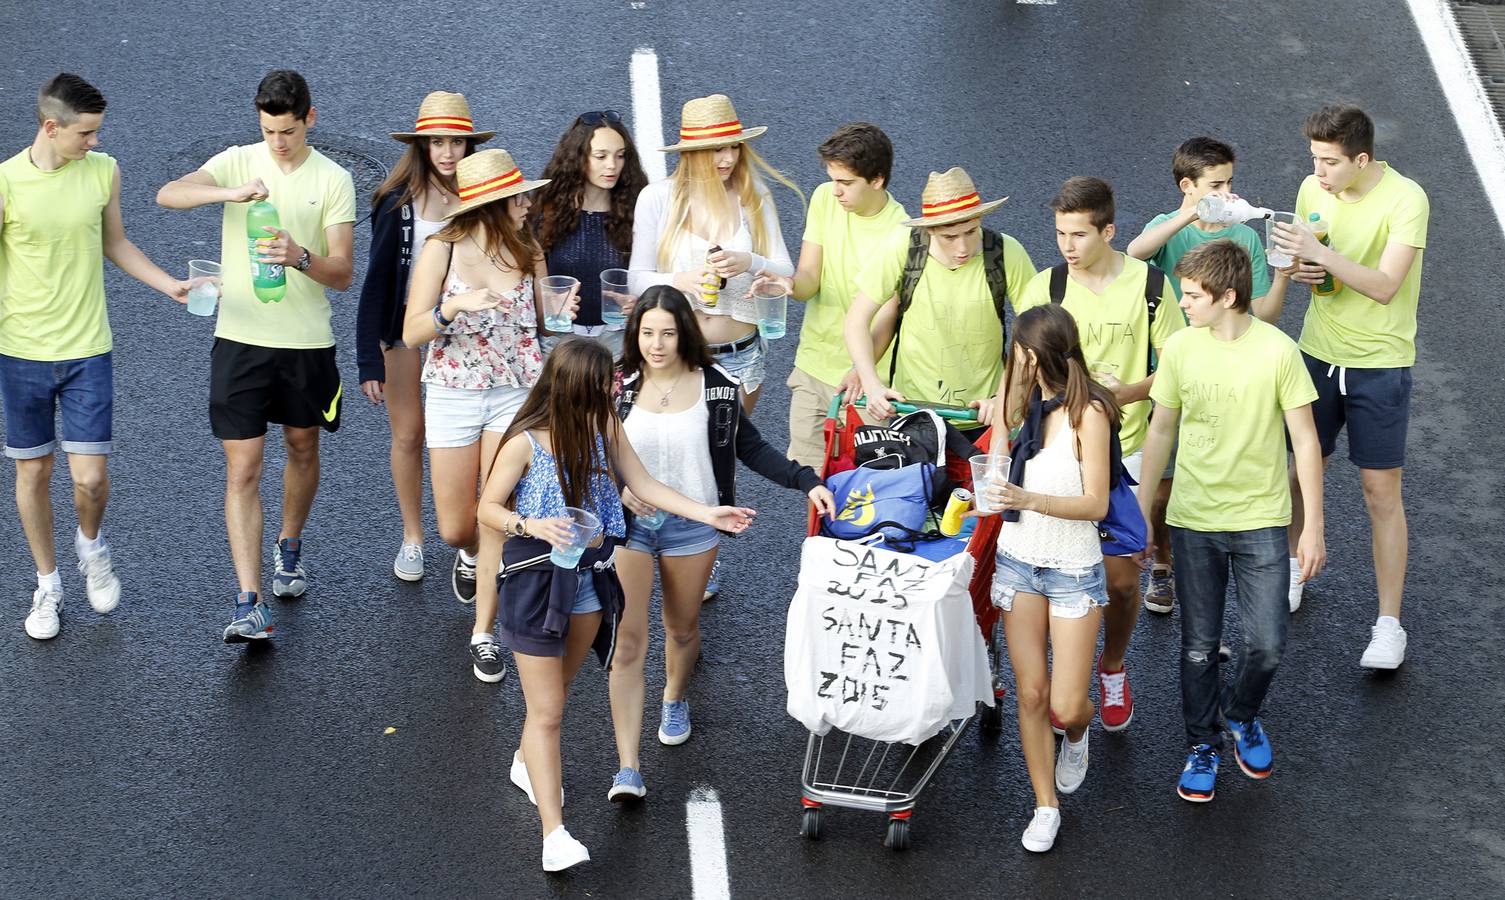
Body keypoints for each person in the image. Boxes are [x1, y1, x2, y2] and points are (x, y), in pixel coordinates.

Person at [476, 338, 755, 872]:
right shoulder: (523, 443)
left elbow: (645, 483)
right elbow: (486, 507)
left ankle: (524, 760)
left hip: (589, 580)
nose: (618, 385)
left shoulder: (605, 429)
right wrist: (529, 524)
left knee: (553, 696)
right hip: (536, 581)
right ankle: (554, 835)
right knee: (550, 710)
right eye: (608, 380)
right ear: (580, 384)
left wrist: (708, 513)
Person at [608, 286, 836, 796]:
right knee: (627, 639)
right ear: (635, 334)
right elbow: (592, 451)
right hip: (629, 525)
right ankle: (628, 765)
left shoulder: (716, 385)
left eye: (667, 332)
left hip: (694, 525)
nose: (657, 344)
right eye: (647, 333)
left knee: (682, 629)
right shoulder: (617, 384)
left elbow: (750, 446)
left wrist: (806, 480)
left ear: (684, 332)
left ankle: (674, 695)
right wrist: (619, 486)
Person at [157, 70, 355, 643]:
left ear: (309, 119)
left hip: (306, 343)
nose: (277, 142)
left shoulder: (334, 179)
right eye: (269, 130)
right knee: (242, 467)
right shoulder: (239, 161)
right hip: (240, 338)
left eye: (288, 131)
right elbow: (169, 194)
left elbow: (341, 273)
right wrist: (229, 193)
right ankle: (250, 602)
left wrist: (299, 256)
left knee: (301, 446)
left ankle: (289, 544)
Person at [0, 73, 190, 640]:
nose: (96, 142)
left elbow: (115, 243)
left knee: (89, 480)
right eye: (86, 133)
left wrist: (170, 285)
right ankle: (48, 585)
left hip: (88, 349)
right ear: (51, 128)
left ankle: (91, 545)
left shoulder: (103, 173)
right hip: (22, 352)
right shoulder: (6, 182)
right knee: (33, 472)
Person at [1135, 239, 1325, 803]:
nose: (1184, 302)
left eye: (1193, 295)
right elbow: (1160, 433)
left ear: (1229, 296)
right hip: (1194, 519)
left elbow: (1306, 441)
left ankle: (1240, 715)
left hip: (1263, 519)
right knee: (1199, 645)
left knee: (1265, 643)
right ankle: (1202, 744)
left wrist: (1312, 525)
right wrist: (1144, 514)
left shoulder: (1278, 352)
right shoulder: (1180, 349)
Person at [400, 147, 576, 684]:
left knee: (493, 504)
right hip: (454, 390)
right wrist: (453, 308)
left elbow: (545, 324)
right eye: (519, 196)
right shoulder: (442, 249)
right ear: (493, 204)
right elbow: (411, 332)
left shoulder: (528, 249)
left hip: (515, 391)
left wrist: (559, 314)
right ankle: (472, 556)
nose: (528, 203)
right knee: (457, 526)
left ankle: (484, 631)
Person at [1016, 176, 1183, 732]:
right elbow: (1021, 367)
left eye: (1080, 234)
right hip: (1057, 453)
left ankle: (1111, 668)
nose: (1067, 245)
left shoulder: (1152, 285)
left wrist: (1117, 396)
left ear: (1109, 230)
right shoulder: (1046, 286)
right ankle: (1066, 684)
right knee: (1052, 570)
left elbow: (1176, 370)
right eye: (1061, 233)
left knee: (1120, 582)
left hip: (1125, 452)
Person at [1271, 104, 1428, 669]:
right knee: (1297, 470)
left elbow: (1386, 286)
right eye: (1314, 158)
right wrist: (1306, 268)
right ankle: (1292, 565)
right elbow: (1319, 274)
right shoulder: (1312, 190)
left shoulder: (1408, 200)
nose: (1318, 172)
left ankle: (1389, 625)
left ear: (1362, 160)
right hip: (1316, 352)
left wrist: (1320, 255)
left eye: (1331, 162)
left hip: (1380, 363)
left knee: (1380, 493)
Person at [974, 304, 1117, 853]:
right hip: (1017, 560)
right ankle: (1044, 805)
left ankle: (1077, 736)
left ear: (1031, 355)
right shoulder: (1020, 406)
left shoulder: (1090, 414)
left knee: (1065, 705)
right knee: (1031, 695)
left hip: (1073, 570)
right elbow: (997, 469)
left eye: (1017, 353)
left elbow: (1096, 503)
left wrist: (1029, 498)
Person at [1126, 137, 1290, 616]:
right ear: (1188, 185)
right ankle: (1162, 564)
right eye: (1216, 184)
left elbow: (1265, 316)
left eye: (1230, 182)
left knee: (1208, 470)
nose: (1229, 192)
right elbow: (1133, 256)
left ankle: (1206, 571)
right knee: (1161, 484)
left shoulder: (1244, 237)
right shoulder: (1167, 228)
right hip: (1174, 368)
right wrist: (1192, 215)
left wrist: (1281, 274)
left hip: (1231, 372)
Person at [356, 91, 491, 583]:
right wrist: (368, 358)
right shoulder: (396, 203)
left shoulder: (483, 198)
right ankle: (413, 537)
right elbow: (376, 282)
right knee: (409, 434)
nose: (449, 152)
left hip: (469, 332)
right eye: (438, 142)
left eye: (457, 142)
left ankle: (470, 535)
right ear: (422, 146)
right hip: (406, 332)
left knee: (468, 436)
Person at [628, 93, 799, 413]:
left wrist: (750, 262)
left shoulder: (753, 195)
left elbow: (785, 270)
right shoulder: (658, 198)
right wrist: (682, 281)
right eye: (717, 149)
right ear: (692, 154)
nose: (729, 158)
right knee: (677, 453)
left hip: (741, 355)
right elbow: (636, 279)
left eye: (734, 147)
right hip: (679, 353)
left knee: (726, 454)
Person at [845, 166, 1035, 426]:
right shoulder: (904, 248)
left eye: (971, 232)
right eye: (950, 237)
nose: (963, 247)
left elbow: (1037, 336)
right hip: (914, 414)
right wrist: (871, 383)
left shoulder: (1005, 252)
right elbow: (856, 320)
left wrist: (1005, 396)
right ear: (930, 230)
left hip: (985, 416)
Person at [767, 122, 909, 467]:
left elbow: (888, 315)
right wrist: (790, 285)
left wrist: (862, 372)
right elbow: (810, 276)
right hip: (813, 366)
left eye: (846, 183)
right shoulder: (824, 200)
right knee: (811, 482)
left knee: (866, 487)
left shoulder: (901, 232)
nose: (836, 192)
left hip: (866, 382)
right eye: (833, 180)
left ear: (877, 180)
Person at [533, 110, 648, 357]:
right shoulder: (547, 211)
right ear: (578, 157)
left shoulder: (639, 209)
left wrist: (639, 302)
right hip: (561, 342)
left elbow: (654, 273)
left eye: (620, 156)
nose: (612, 166)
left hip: (618, 339)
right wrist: (547, 306)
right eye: (601, 156)